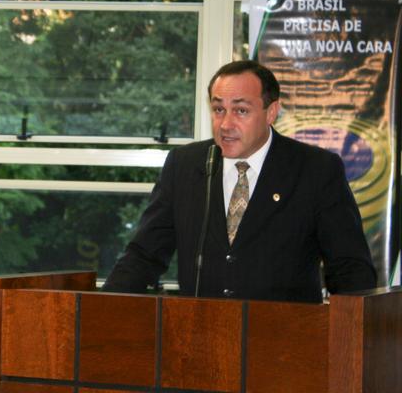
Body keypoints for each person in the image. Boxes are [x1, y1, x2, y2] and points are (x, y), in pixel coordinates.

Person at [103, 60, 376, 302]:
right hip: (199, 333)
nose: (225, 124)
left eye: (241, 111)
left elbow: (350, 268)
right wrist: (101, 311)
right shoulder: (185, 164)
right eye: (218, 109)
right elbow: (144, 254)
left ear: (271, 112)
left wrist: (349, 332)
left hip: (285, 337)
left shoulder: (315, 170)